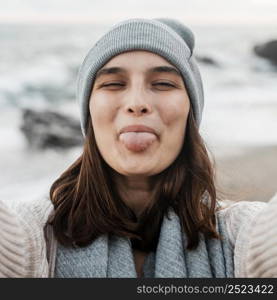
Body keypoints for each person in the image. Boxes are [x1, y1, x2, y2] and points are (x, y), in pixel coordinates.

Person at [0, 18, 277, 278]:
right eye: (113, 84)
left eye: (163, 84)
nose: (137, 102)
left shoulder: (239, 235)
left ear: (190, 114)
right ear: (89, 113)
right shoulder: (36, 237)